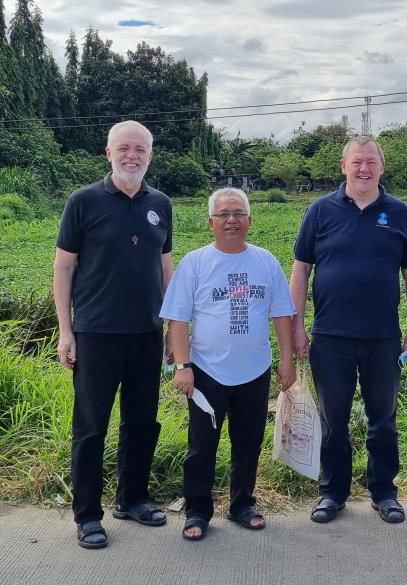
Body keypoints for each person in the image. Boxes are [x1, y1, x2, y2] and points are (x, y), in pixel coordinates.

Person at [290, 136, 407, 524]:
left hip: (383, 338)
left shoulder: (399, 212)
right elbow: (301, 270)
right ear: (343, 166)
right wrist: (298, 325)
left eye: (371, 162)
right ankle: (332, 493)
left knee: (383, 420)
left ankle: (384, 492)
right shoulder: (320, 210)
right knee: (334, 420)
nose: (364, 168)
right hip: (330, 338)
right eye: (357, 161)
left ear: (382, 168)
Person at [54, 121, 174, 549]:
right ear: (108, 153)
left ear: (150, 156)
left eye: (140, 149)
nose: (132, 156)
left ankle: (133, 499)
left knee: (142, 423)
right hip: (95, 334)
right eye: (124, 148)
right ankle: (87, 515)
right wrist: (65, 331)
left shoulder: (160, 203)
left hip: (147, 333)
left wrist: (173, 329)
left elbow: (165, 268)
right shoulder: (83, 202)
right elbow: (64, 267)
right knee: (91, 427)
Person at [161, 188, 296, 541]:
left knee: (248, 441)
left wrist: (286, 361)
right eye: (223, 215)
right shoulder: (195, 262)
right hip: (206, 371)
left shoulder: (265, 261)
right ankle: (197, 510)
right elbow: (177, 319)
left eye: (238, 213)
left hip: (255, 370)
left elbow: (282, 313)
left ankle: (242, 504)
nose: (231, 220)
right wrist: (182, 366)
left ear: (250, 220)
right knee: (202, 445)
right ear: (210, 222)